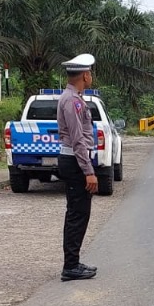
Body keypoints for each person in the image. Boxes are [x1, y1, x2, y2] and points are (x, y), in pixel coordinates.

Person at [56, 54, 99, 281]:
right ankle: (70, 266)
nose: (90, 76)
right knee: (77, 214)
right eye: (89, 73)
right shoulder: (72, 101)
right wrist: (89, 171)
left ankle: (73, 262)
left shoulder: (74, 98)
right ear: (84, 75)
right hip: (74, 162)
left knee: (79, 213)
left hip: (74, 160)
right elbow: (77, 139)